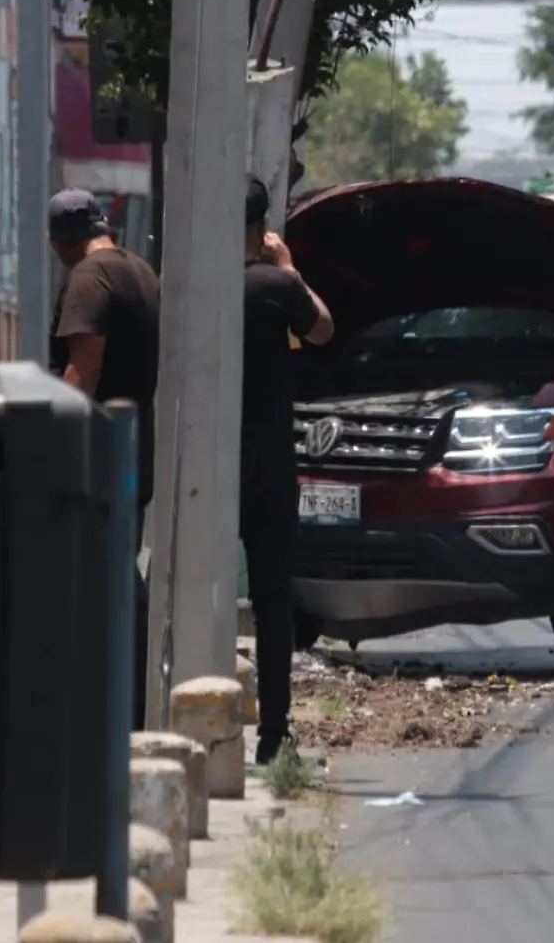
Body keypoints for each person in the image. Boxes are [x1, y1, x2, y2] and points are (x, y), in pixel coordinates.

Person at [47, 189, 161, 727]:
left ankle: (125, 706)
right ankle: (125, 702)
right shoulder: (139, 270)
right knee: (114, 572)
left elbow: (83, 372)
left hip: (98, 452)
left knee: (108, 579)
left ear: (60, 241)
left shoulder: (88, 279)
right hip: (134, 445)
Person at [240, 176, 335, 763]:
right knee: (274, 601)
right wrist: (290, 264)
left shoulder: (191, 285)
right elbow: (323, 328)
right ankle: (273, 733)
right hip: (268, 466)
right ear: (262, 224)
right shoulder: (277, 285)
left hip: (206, 465)